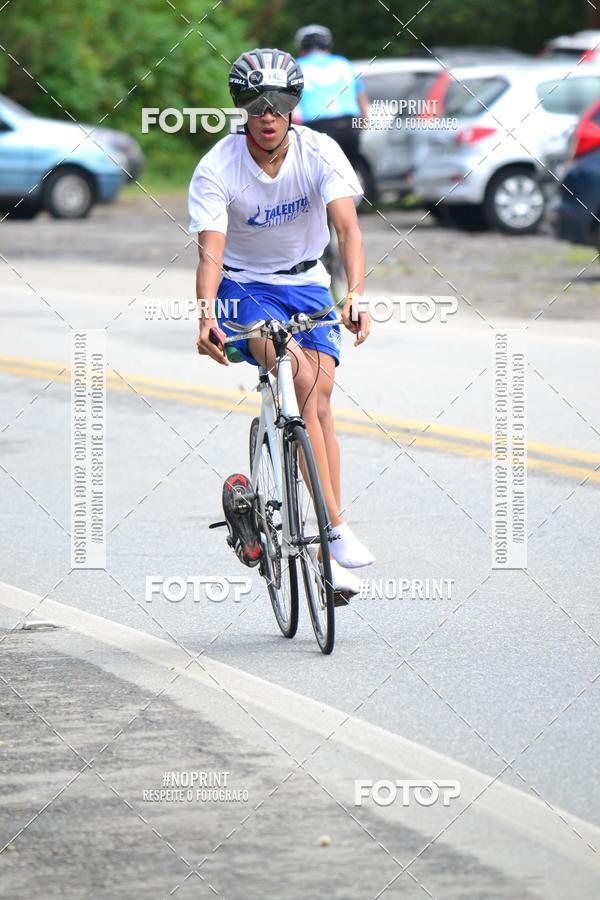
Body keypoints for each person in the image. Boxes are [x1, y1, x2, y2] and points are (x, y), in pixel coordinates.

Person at [189, 47, 374, 595]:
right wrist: (205, 316)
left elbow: (348, 232)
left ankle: (326, 540)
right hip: (242, 286)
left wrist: (356, 294)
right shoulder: (217, 167)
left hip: (307, 281)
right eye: (254, 101)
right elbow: (211, 255)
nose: (267, 113)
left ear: (295, 104)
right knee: (294, 371)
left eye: (279, 101)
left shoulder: (320, 151)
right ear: (240, 106)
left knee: (320, 396)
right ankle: (336, 530)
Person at [293, 25, 369, 172]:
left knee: (319, 177)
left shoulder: (297, 67)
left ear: (301, 48)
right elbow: (362, 102)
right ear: (328, 46)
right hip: (349, 126)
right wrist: (359, 130)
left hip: (317, 127)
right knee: (350, 177)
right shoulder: (344, 63)